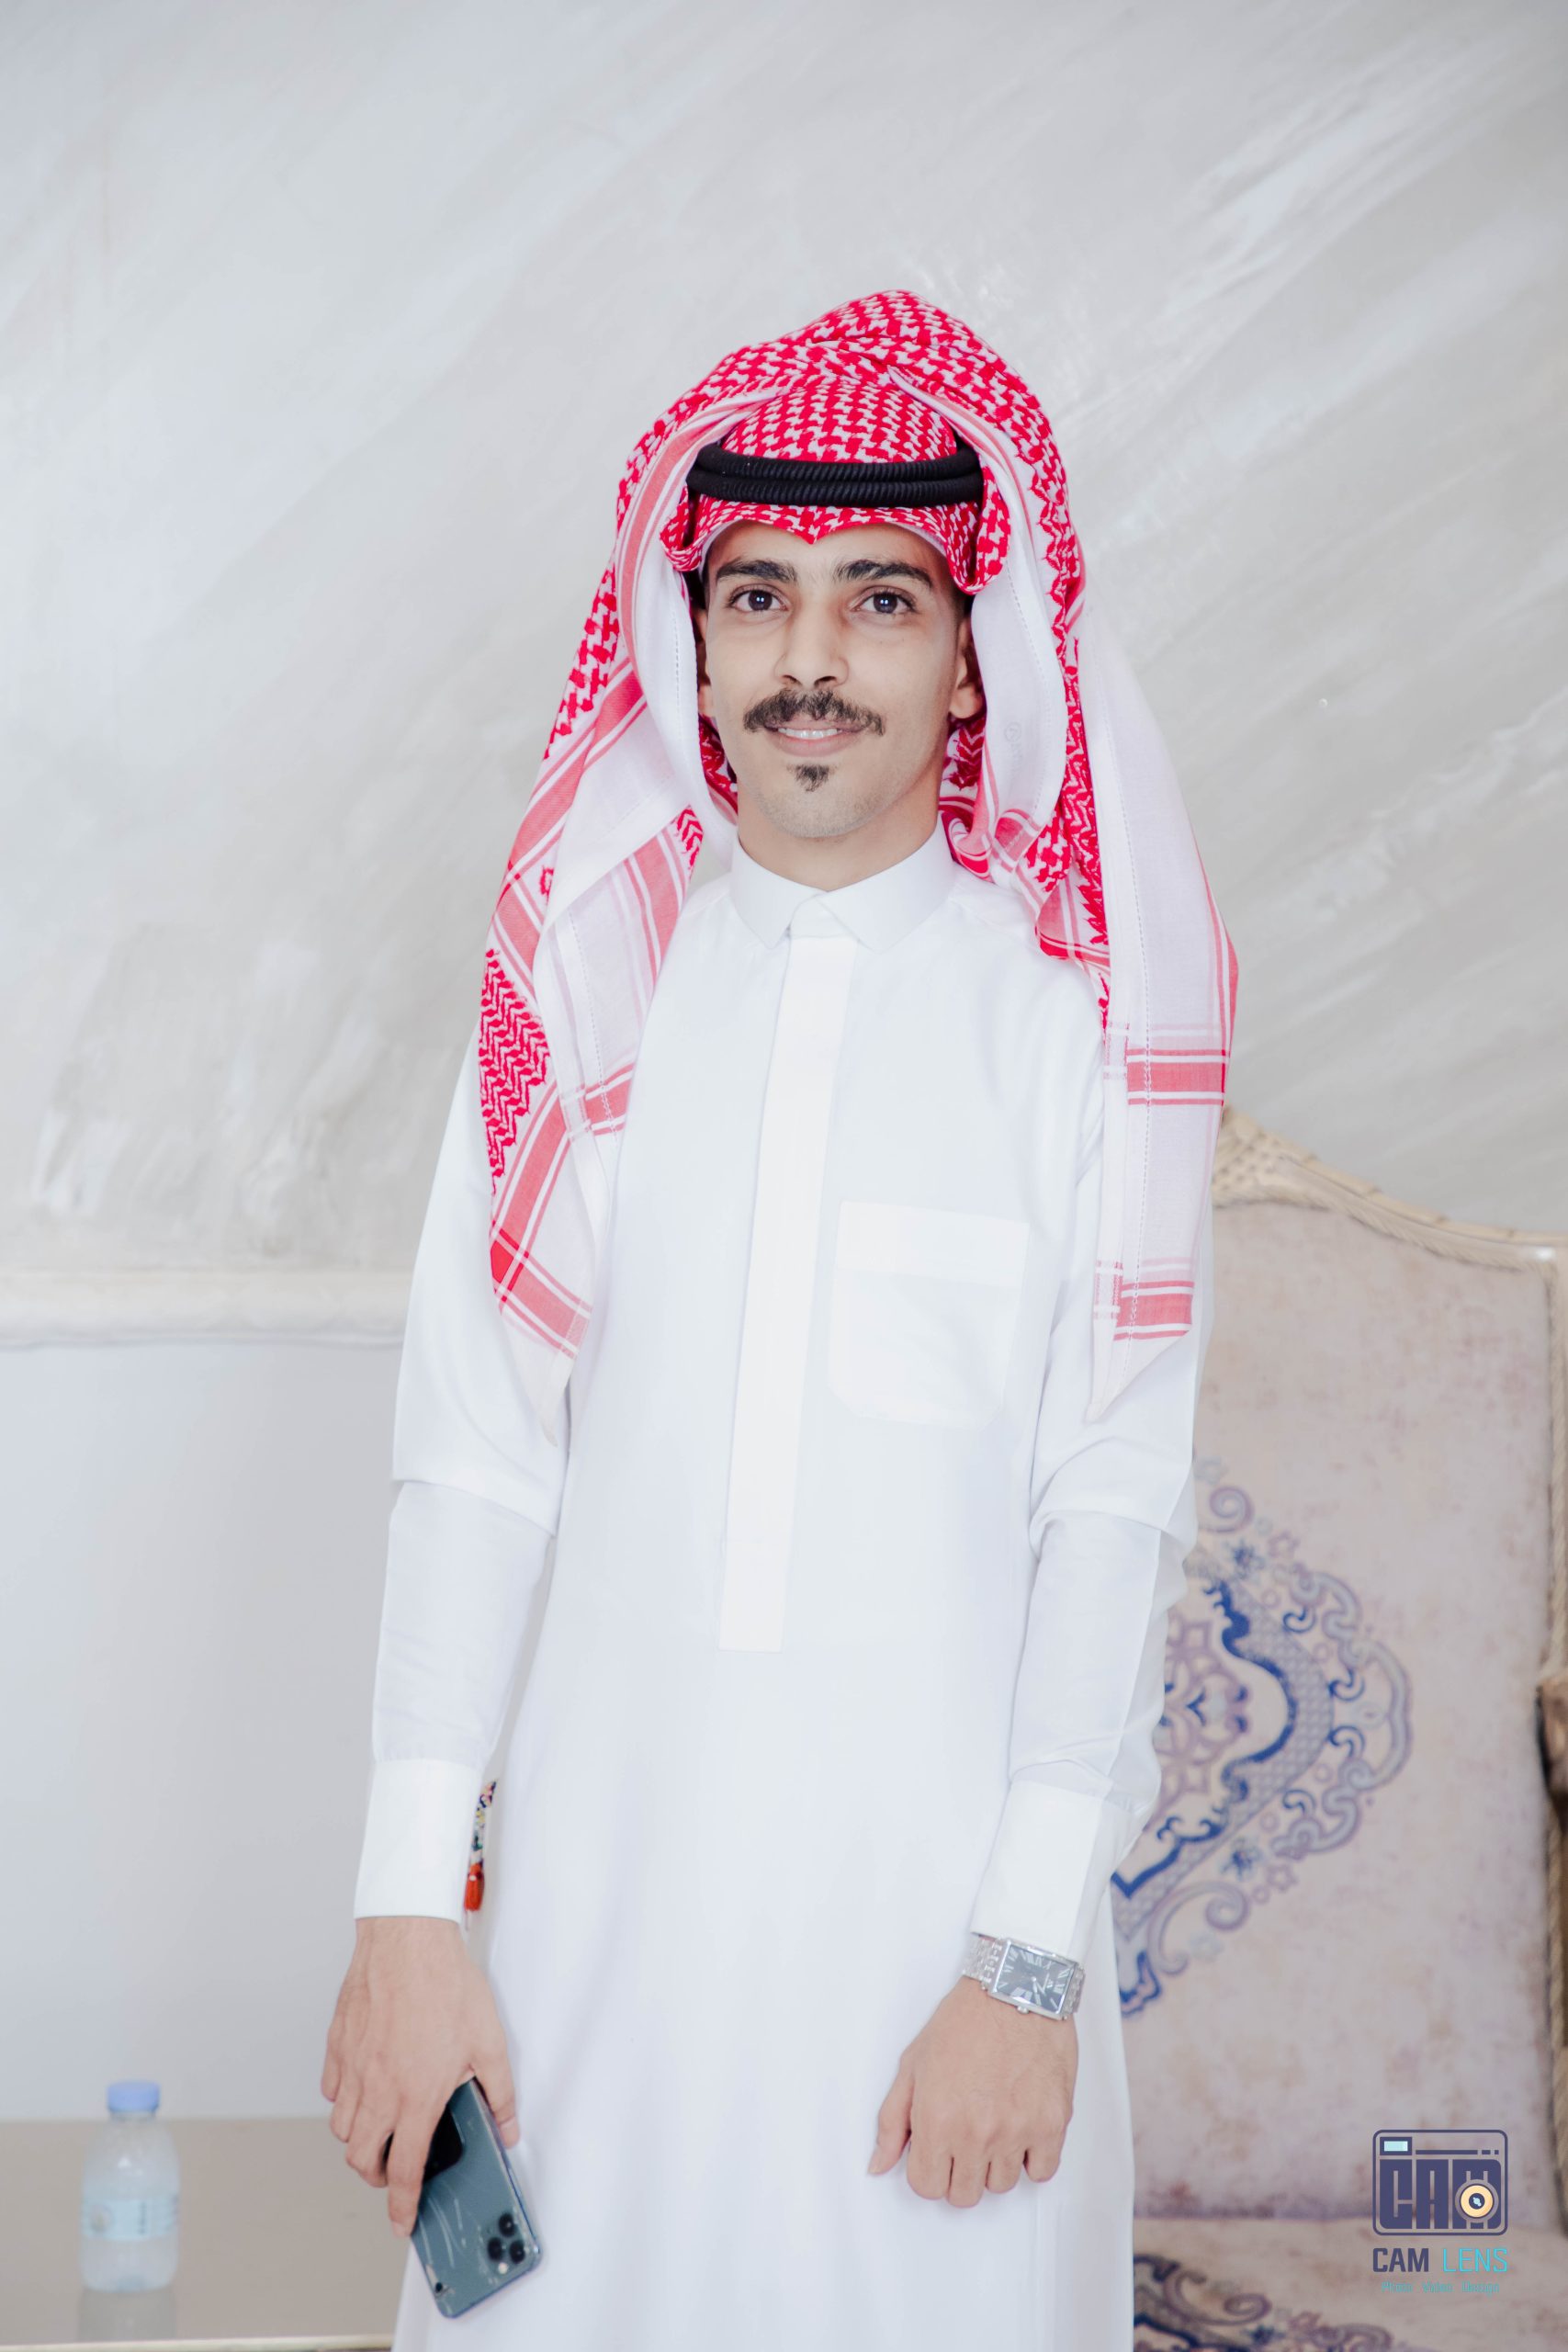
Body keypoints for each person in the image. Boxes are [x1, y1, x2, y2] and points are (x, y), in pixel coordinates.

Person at [321, 288, 1237, 2351]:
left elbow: (1111, 1507)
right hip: (585, 1954)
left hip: (940, 1995)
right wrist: (406, 1916)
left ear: (969, 651)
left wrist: (1022, 1969)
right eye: (758, 595)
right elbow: (472, 1460)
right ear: (694, 641)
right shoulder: (582, 992)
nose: (809, 658)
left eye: (878, 599)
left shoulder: (1074, 1040)